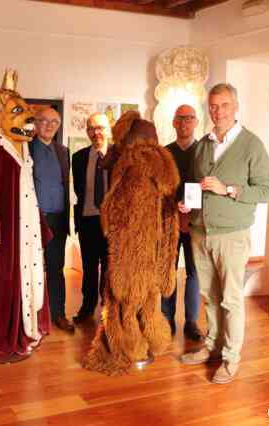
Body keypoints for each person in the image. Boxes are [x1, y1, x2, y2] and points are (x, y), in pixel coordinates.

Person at [178, 83, 269, 384]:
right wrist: (187, 205)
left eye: (224, 105)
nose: (218, 111)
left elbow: (266, 190)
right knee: (208, 295)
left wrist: (229, 189)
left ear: (235, 107)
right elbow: (195, 185)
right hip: (200, 231)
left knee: (231, 299)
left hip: (232, 235)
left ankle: (231, 359)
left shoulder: (251, 144)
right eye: (213, 106)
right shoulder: (203, 144)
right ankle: (212, 346)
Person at [82, 111, 180, 375]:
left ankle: (131, 346)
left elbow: (117, 213)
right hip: (153, 248)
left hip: (130, 249)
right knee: (147, 298)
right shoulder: (161, 168)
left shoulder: (133, 166)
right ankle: (151, 341)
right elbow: (169, 216)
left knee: (124, 300)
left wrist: (112, 228)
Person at [0, 75, 52, 364]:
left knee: (26, 279)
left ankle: (24, 330)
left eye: (25, 110)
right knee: (2, 284)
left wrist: (40, 224)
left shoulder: (21, 148)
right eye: (17, 111)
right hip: (6, 236)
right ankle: (0, 339)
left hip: (25, 234)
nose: (28, 116)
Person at [30, 107, 74, 333]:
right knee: (30, 270)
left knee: (56, 269)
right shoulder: (25, 148)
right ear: (35, 124)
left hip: (57, 220)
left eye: (53, 122)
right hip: (32, 221)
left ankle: (58, 313)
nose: (48, 125)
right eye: (43, 121)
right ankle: (30, 317)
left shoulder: (63, 151)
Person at [162, 104, 202, 341]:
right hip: (169, 222)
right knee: (168, 272)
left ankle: (191, 322)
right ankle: (166, 319)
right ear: (174, 123)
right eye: (180, 118)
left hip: (197, 223)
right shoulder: (165, 153)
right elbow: (158, 188)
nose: (185, 122)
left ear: (196, 122)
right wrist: (173, 205)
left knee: (194, 273)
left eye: (189, 118)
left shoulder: (204, 152)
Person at [71, 113, 111, 324]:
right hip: (87, 221)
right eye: (91, 128)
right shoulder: (78, 158)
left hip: (111, 224)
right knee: (88, 267)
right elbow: (79, 190)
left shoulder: (118, 156)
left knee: (109, 268)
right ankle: (87, 307)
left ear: (108, 129)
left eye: (100, 128)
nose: (96, 132)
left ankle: (107, 308)